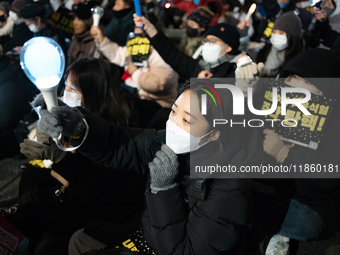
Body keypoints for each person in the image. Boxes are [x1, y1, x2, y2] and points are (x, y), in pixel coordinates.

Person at [32, 78, 262, 254]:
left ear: (214, 134)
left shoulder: (229, 188)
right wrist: (78, 127)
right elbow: (122, 144)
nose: (173, 124)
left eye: (187, 120)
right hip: (148, 236)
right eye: (174, 111)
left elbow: (186, 251)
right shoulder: (169, 144)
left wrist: (164, 191)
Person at [2, 58, 146, 254]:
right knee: (31, 178)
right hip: (74, 187)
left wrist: (61, 157)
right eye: (65, 86)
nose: (65, 93)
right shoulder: (77, 118)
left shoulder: (114, 126)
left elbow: (99, 182)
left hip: (99, 207)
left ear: (91, 93)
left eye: (72, 89)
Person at [250, 48, 340, 254]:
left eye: (307, 82)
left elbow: (328, 178)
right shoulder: (275, 102)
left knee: (308, 222)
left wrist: (284, 154)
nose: (295, 85)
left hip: (308, 201)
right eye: (292, 78)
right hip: (269, 188)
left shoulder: (335, 122)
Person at [90, 25, 179, 108]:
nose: (136, 38)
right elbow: (117, 54)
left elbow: (158, 84)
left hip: (158, 106)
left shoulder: (163, 54)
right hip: (136, 100)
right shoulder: (137, 47)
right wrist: (101, 39)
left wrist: (135, 72)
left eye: (140, 35)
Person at [134, 14, 243, 79]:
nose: (208, 45)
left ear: (228, 47)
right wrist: (149, 28)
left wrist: (202, 85)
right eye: (206, 41)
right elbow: (172, 54)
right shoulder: (200, 65)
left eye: (213, 41)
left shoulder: (238, 72)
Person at [256, 11, 303, 77]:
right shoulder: (266, 50)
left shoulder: (296, 64)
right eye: (274, 32)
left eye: (281, 33)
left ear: (292, 38)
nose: (276, 36)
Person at [67, 1, 102, 67]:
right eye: (74, 18)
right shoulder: (76, 38)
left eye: (79, 19)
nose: (75, 23)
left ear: (89, 21)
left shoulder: (98, 43)